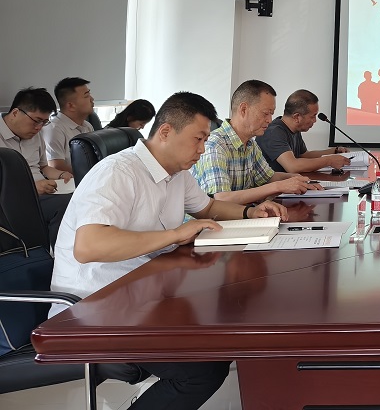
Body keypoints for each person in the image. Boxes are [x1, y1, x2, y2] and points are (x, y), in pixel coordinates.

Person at [49, 91, 286, 410]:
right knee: (201, 371)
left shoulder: (177, 173)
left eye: (206, 140)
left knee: (223, 335)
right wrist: (174, 234)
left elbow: (208, 207)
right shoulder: (118, 172)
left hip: (142, 294)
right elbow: (89, 246)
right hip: (95, 306)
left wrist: (250, 213)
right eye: (198, 139)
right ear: (165, 132)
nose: (202, 149)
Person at [191, 79, 318, 204]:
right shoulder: (215, 146)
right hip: (218, 218)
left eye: (271, 114)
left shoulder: (251, 144)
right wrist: (278, 186)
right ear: (243, 109)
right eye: (266, 113)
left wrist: (296, 179)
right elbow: (222, 199)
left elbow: (269, 177)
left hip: (244, 213)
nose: (269, 120)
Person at [0, 87, 73, 246]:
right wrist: (31, 189)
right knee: (65, 205)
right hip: (10, 202)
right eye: (36, 121)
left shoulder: (36, 135)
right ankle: (56, 255)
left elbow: (44, 167)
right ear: (15, 113)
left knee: (80, 197)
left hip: (42, 194)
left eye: (44, 122)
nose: (39, 128)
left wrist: (61, 175)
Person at [255, 89, 351, 174]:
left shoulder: (294, 129)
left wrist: (334, 151)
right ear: (297, 117)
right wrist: (328, 161)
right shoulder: (273, 132)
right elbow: (292, 166)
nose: (315, 120)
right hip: (274, 187)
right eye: (313, 116)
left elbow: (304, 155)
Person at [41, 76, 95, 174]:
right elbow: (56, 166)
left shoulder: (87, 126)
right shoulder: (54, 129)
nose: (92, 99)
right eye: (86, 96)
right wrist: (92, 173)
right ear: (71, 105)